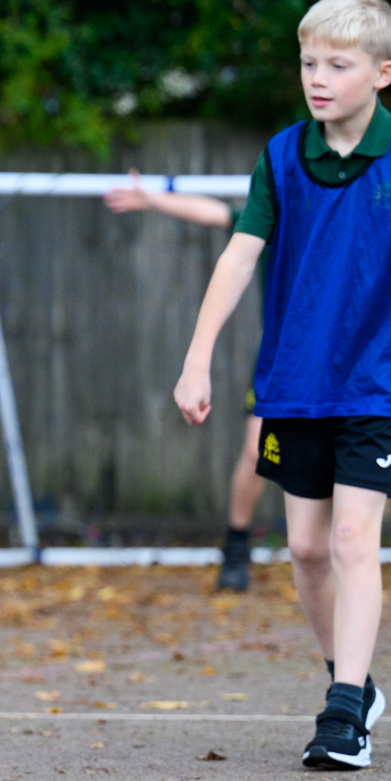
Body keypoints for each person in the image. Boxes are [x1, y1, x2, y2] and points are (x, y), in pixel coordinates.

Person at [173, 0, 391, 771]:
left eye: (337, 64)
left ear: (382, 72)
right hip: (296, 380)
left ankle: (344, 713)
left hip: (382, 380)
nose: (317, 77)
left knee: (355, 537)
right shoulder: (283, 155)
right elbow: (240, 254)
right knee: (307, 550)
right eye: (308, 62)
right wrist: (196, 355)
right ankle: (350, 678)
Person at [104, 173, 266, 591]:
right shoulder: (274, 218)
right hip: (282, 360)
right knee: (257, 451)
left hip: (347, 365)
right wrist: (153, 200)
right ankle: (236, 545)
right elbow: (211, 211)